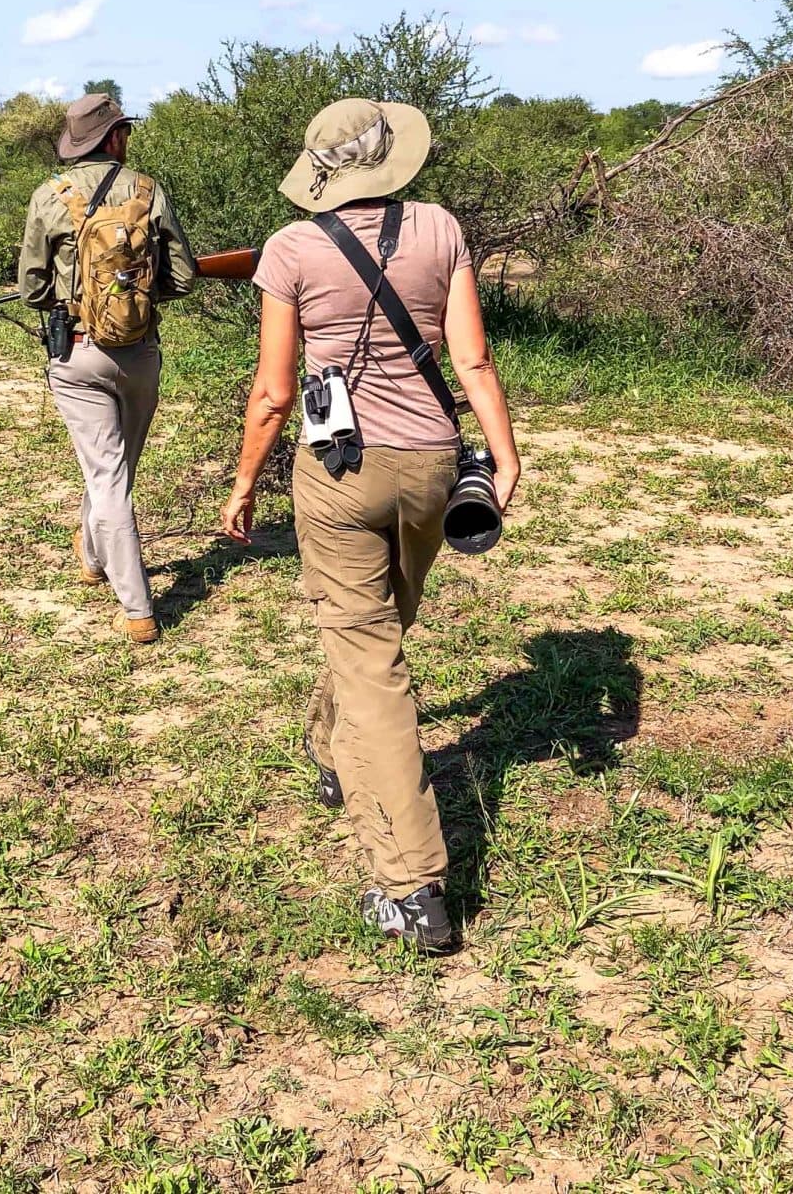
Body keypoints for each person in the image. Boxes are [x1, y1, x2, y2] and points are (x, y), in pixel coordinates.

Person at [219, 97, 520, 951]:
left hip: (338, 471)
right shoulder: (440, 229)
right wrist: (502, 454)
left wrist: (245, 481)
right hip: (432, 464)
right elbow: (472, 358)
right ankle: (330, 753)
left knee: (370, 659)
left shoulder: (292, 248)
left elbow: (276, 392)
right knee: (375, 636)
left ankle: (412, 885)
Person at [20, 91, 197, 642]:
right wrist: (138, 298)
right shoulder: (148, 190)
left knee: (106, 474)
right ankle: (93, 554)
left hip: (77, 351)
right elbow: (185, 277)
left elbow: (31, 288)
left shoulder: (49, 195)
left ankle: (139, 608)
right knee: (115, 472)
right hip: (140, 353)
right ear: (115, 136)